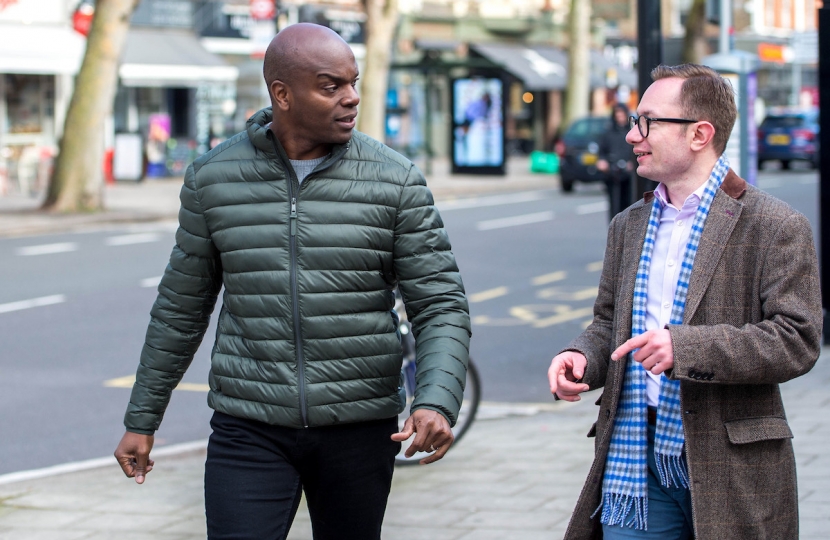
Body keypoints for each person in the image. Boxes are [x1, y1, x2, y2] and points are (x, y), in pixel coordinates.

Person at [114, 23, 471, 540]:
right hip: (248, 427)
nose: (351, 99)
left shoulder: (395, 180)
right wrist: (142, 418)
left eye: (353, 83)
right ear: (281, 94)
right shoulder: (213, 178)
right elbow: (180, 308)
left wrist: (435, 400)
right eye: (331, 86)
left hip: (359, 425)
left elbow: (440, 304)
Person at [547, 63, 821, 539]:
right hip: (636, 457)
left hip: (731, 463)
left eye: (648, 121)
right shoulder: (628, 224)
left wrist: (685, 348)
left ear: (700, 134)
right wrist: (580, 358)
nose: (633, 135)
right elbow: (610, 324)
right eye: (636, 121)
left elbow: (797, 339)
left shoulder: (775, 226)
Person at [596, 103, 634, 220]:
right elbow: (601, 152)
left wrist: (633, 163)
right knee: (614, 204)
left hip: (629, 175)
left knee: (629, 202)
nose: (620, 117)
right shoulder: (608, 133)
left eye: (622, 114)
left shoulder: (631, 132)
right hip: (612, 174)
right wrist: (602, 162)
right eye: (617, 114)